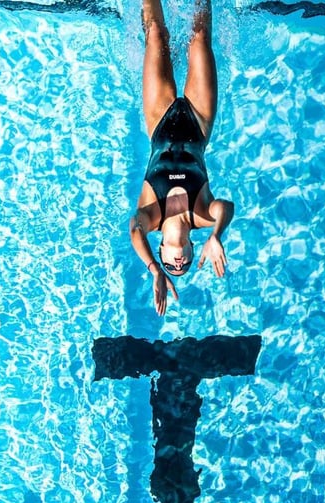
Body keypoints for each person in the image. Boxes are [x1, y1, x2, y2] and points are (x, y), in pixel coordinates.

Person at [129, 0, 235, 315]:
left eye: (170, 264)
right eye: (185, 265)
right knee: (200, 37)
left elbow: (135, 228)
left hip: (159, 119)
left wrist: (153, 270)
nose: (178, 263)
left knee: (157, 36)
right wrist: (216, 236)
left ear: (160, 247)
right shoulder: (201, 215)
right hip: (198, 121)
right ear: (191, 250)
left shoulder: (152, 216)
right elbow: (225, 207)